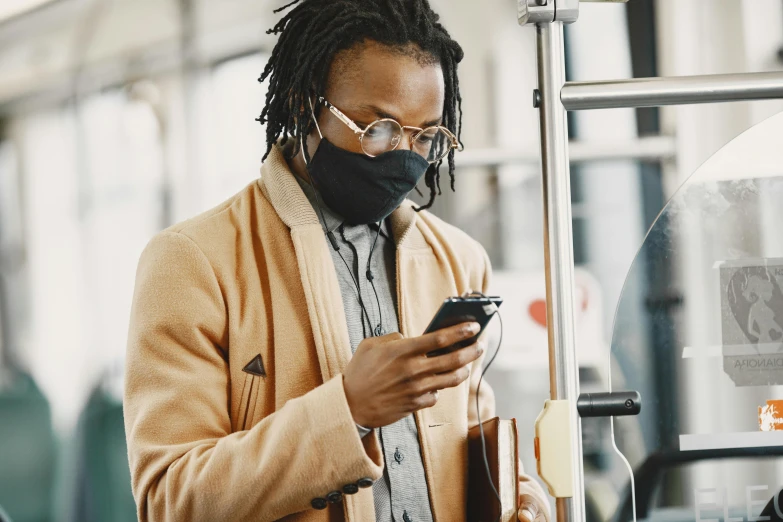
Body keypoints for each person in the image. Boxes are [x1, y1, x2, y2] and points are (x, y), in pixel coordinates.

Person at [124, 0, 551, 520]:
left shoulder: (457, 259)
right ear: (308, 106)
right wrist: (348, 411)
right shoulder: (193, 262)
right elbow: (170, 498)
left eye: (426, 135)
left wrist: (523, 500)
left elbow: (467, 442)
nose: (405, 155)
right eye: (379, 129)